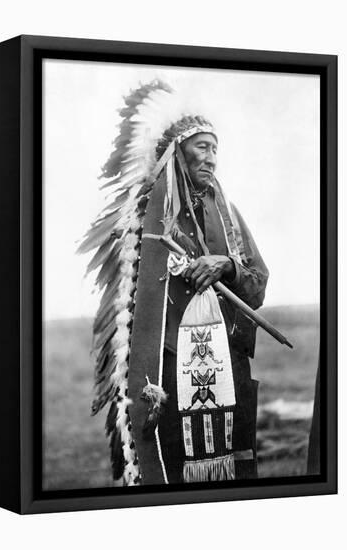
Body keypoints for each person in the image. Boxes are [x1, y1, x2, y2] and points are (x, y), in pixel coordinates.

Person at [79, 80, 269, 486]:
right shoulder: (144, 217)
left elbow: (257, 282)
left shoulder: (228, 216)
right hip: (166, 371)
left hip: (227, 365)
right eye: (202, 147)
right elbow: (127, 307)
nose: (212, 158)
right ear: (176, 151)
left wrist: (228, 267)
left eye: (215, 149)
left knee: (232, 473)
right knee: (171, 475)